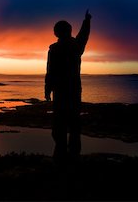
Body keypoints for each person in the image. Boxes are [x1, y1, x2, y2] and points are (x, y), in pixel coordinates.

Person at [45, 9, 91, 163]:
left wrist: (47, 89)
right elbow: (83, 36)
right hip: (72, 91)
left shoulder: (56, 49)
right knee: (73, 125)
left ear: (57, 32)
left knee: (61, 126)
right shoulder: (74, 46)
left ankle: (61, 157)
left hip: (62, 92)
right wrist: (87, 21)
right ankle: (72, 157)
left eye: (56, 29)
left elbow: (50, 71)